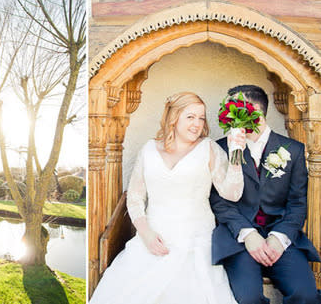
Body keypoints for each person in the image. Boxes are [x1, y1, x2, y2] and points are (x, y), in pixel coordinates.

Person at [90, 91, 246, 304]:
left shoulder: (208, 148)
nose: (197, 124)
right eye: (190, 117)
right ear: (174, 117)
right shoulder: (148, 149)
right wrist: (145, 233)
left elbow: (232, 194)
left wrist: (236, 156)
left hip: (196, 243)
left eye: (201, 118)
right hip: (153, 240)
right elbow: (135, 197)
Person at [210, 85, 321, 304]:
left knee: (306, 295)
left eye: (237, 113)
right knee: (248, 297)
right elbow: (219, 201)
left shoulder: (293, 150)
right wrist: (248, 234)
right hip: (239, 239)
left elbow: (297, 203)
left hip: (282, 236)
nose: (233, 120)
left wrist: (279, 238)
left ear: (258, 114)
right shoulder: (221, 149)